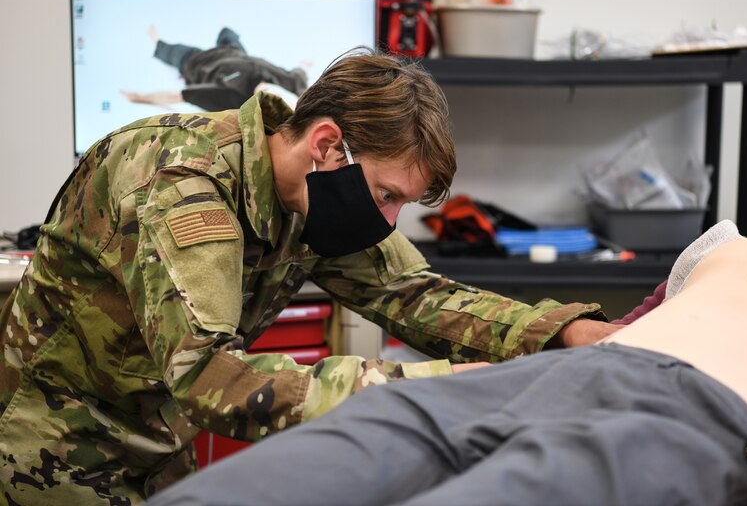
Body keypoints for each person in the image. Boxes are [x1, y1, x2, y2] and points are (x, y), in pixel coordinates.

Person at [0, 48, 617, 504]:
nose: (389, 222)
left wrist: (560, 333)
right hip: (54, 442)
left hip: (156, 441)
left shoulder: (312, 192)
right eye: (386, 195)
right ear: (327, 144)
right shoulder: (183, 185)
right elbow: (213, 375)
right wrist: (433, 386)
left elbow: (415, 295)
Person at [146, 224, 747, 506]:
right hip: (554, 376)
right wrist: (565, 332)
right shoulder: (732, 245)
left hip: (695, 414)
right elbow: (640, 317)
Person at [121, 26, 309, 112]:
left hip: (195, 62)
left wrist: (142, 97)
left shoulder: (233, 98)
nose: (272, 96)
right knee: (226, 31)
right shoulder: (291, 81)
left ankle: (156, 41)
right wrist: (305, 64)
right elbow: (301, 71)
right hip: (233, 51)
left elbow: (179, 95)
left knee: (168, 51)